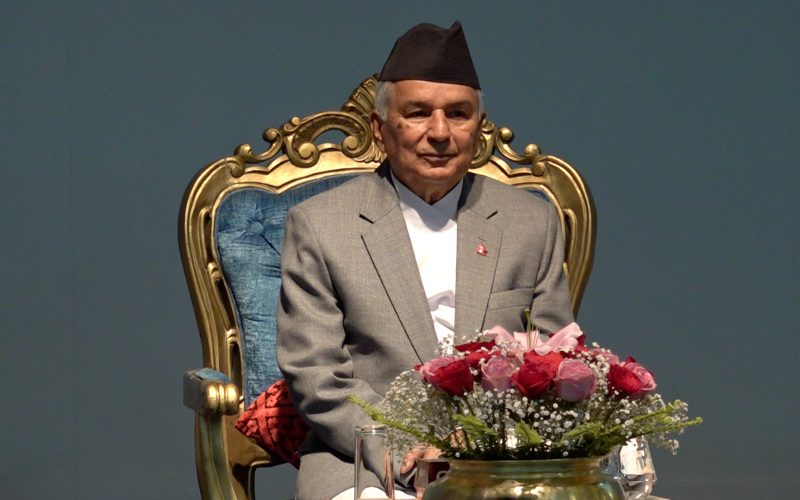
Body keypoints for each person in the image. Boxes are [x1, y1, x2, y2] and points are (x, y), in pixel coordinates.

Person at [276, 21, 574, 500]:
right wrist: (405, 449)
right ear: (380, 129)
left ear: (479, 127)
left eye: (457, 114)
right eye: (417, 113)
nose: (439, 132)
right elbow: (317, 375)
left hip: (500, 459)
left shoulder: (530, 222)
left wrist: (481, 448)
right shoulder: (321, 224)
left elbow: (552, 365)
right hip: (362, 457)